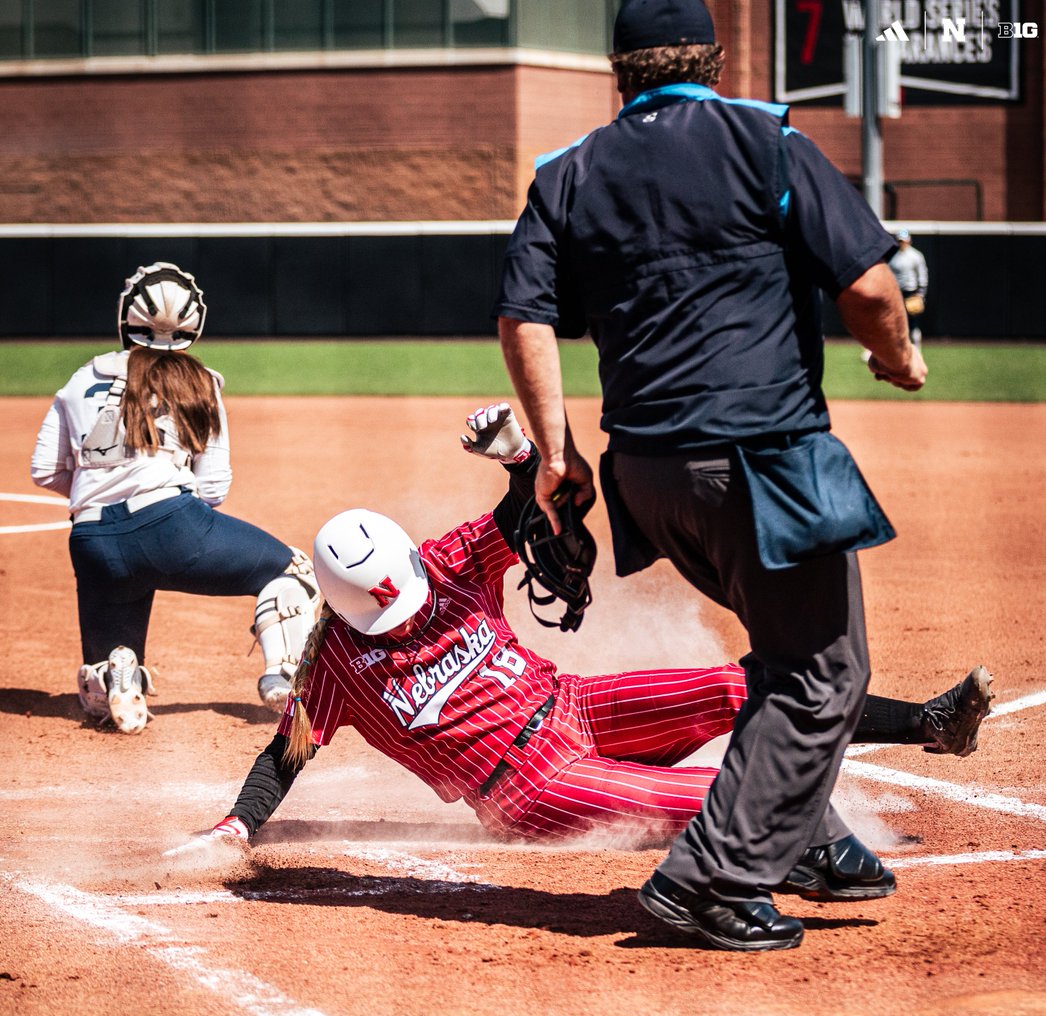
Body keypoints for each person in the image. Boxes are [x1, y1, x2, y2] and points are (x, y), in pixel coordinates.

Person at [492, 0, 931, 950]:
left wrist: (558, 456)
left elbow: (522, 318)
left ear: (620, 74)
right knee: (824, 672)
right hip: (757, 463)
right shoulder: (767, 142)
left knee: (785, 654)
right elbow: (867, 284)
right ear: (717, 61)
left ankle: (805, 836)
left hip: (645, 477)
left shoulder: (563, 175)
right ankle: (711, 878)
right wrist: (897, 359)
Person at [194, 405, 991, 904]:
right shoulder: (335, 663)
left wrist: (514, 458)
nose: (405, 613)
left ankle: (929, 723)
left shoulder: (437, 566)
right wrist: (238, 824)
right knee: (710, 792)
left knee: (746, 684)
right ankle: (800, 856)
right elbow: (287, 752)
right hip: (531, 787)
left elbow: (520, 513)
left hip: (572, 704)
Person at [31, 262, 320, 734]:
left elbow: (45, 470)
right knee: (292, 570)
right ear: (194, 324)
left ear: (126, 315)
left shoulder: (82, 377)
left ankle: (117, 676)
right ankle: (283, 674)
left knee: (103, 685)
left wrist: (97, 494)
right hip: (173, 525)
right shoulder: (200, 379)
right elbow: (214, 488)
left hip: (92, 539)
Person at [888, 229, 929, 348]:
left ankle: (916, 349)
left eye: (904, 241)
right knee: (894, 323)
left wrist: (921, 293)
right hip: (895, 293)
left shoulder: (916, 255)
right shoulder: (892, 256)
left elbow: (922, 274)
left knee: (912, 323)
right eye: (900, 241)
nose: (902, 243)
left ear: (909, 241)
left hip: (911, 292)